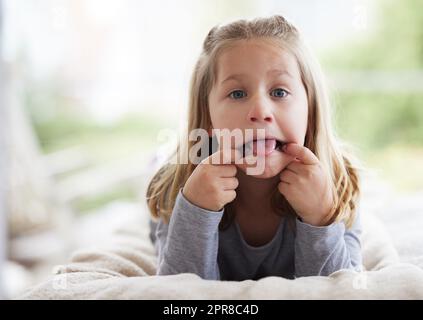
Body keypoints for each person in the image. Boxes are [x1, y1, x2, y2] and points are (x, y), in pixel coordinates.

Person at [146, 15, 362, 281]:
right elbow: (177, 293)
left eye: (280, 92)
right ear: (208, 116)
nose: (260, 111)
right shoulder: (178, 185)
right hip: (177, 166)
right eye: (237, 94)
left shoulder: (340, 183)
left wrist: (321, 219)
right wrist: (196, 210)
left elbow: (341, 290)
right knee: (165, 163)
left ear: (311, 109)